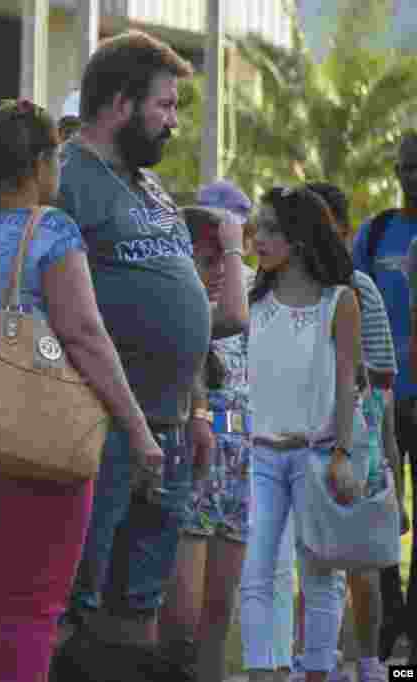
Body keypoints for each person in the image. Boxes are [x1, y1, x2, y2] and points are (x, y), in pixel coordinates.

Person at [0, 96, 163, 681]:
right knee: (34, 608)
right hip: (25, 420)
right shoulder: (49, 228)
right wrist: (138, 428)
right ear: (41, 164)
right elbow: (84, 335)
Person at [57, 30, 211, 648]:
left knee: (140, 605)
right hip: (102, 428)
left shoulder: (150, 187)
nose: (173, 122)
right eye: (165, 106)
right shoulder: (67, 178)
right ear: (120, 104)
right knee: (77, 605)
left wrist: (197, 406)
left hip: (169, 428)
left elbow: (183, 302)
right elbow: (63, 311)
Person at [270, 181, 404, 682]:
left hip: (356, 439)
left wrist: (390, 464)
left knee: (358, 556)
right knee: (321, 558)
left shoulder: (356, 288)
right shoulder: (294, 286)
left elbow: (380, 385)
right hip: (319, 437)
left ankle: (370, 664)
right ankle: (324, 662)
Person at [240, 185, 361, 682]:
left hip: (315, 457)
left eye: (271, 229)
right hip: (261, 459)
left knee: (320, 577)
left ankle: (316, 673)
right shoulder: (252, 297)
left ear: (300, 236)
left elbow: (348, 382)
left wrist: (344, 453)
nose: (259, 238)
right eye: (257, 227)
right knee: (256, 574)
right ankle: (261, 673)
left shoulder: (339, 302)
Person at [157, 200, 252, 682]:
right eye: (206, 260)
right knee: (181, 622)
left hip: (238, 470)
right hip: (195, 465)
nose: (219, 271)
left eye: (224, 260)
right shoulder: (181, 308)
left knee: (219, 615)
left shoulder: (249, 310)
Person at [354, 132, 417, 666]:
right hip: (384, 404)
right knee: (382, 516)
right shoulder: (375, 235)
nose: (409, 177)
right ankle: (390, 625)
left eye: (416, 167)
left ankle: (410, 640)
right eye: (403, 168)